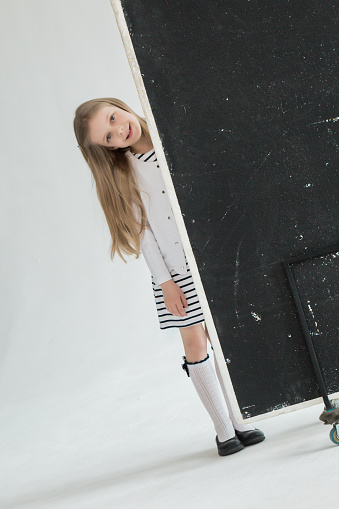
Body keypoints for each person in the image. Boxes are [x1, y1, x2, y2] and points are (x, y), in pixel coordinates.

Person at [73, 97, 265, 456]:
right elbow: (144, 233)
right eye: (109, 138)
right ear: (108, 150)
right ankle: (224, 430)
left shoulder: (172, 138)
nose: (119, 131)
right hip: (175, 272)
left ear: (120, 105)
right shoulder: (125, 173)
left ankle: (241, 419)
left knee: (223, 337)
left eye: (113, 119)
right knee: (195, 342)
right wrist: (165, 281)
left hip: (212, 257)